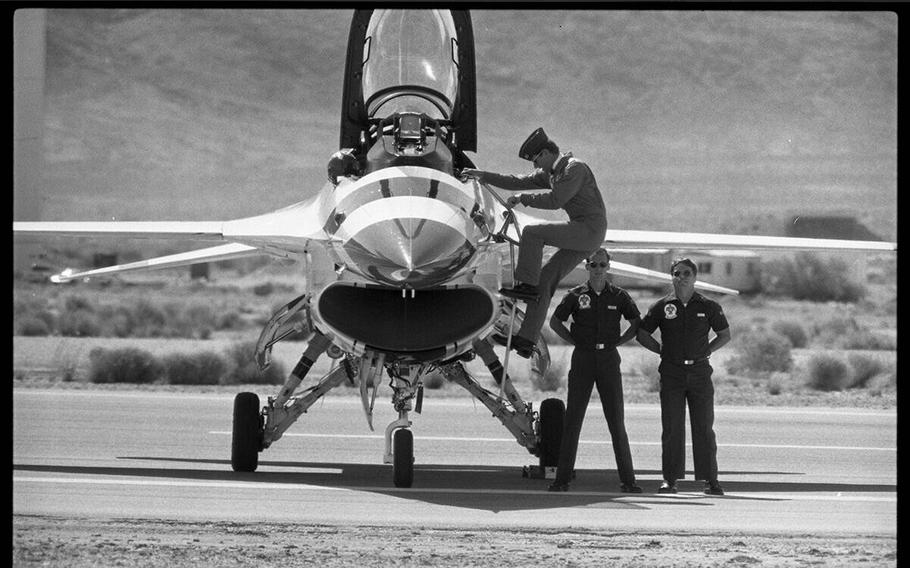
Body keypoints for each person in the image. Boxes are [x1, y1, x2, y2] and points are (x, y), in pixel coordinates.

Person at [462, 128, 607, 358]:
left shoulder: (574, 168)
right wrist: (482, 175)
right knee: (547, 280)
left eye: (537, 159)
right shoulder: (552, 173)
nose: (535, 166)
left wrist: (524, 199)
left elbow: (556, 200)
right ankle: (526, 340)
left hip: (589, 229)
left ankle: (526, 285)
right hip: (584, 232)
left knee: (532, 233)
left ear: (548, 152)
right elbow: (516, 181)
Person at [546, 248, 642, 493]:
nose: (598, 269)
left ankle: (629, 481)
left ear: (608, 266)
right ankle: (562, 479)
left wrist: (618, 342)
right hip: (583, 359)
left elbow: (635, 323)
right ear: (587, 267)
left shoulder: (619, 296)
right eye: (593, 265)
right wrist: (574, 341)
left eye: (602, 264)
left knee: (616, 422)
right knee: (573, 420)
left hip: (609, 360)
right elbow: (556, 322)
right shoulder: (576, 295)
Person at [636, 258, 732, 496]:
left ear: (695, 276)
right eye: (677, 273)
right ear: (672, 277)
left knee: (704, 428)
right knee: (671, 428)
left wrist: (706, 350)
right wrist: (661, 350)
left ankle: (711, 480)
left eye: (687, 273)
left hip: (699, 372)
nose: (682, 277)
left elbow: (724, 334)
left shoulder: (708, 306)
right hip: (672, 373)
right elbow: (642, 334)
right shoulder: (661, 306)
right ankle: (670, 480)